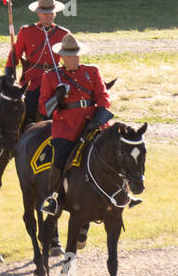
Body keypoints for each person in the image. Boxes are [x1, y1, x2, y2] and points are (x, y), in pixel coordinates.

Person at [37, 35, 118, 215]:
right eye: (70, 55)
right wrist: (56, 98)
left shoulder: (92, 71)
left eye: (76, 55)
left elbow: (104, 97)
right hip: (67, 127)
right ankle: (54, 197)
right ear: (62, 57)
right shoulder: (50, 77)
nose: (74, 58)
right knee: (60, 156)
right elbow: (44, 108)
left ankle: (124, 190)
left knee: (118, 148)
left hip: (94, 123)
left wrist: (98, 120)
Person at [6, 0, 70, 128]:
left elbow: (69, 60)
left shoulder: (63, 34)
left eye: (52, 12)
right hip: (32, 80)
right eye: (45, 13)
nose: (48, 16)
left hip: (55, 79)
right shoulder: (26, 31)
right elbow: (14, 55)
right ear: (38, 13)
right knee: (26, 111)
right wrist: (8, 74)